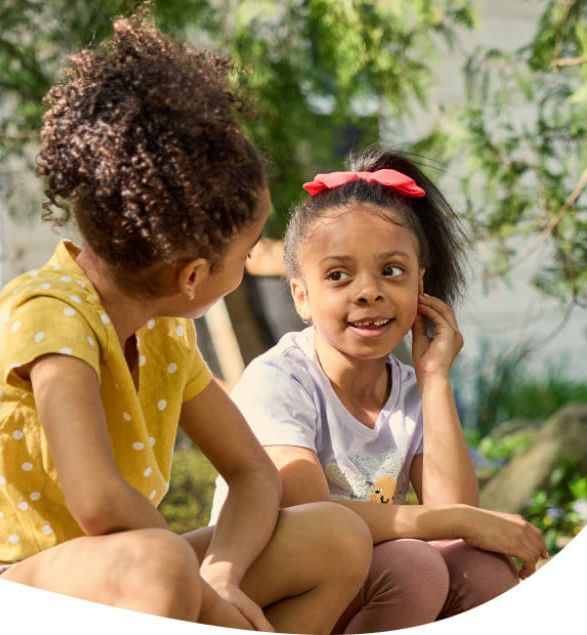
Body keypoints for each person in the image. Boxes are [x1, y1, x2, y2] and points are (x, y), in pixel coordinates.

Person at [0, 11, 374, 633]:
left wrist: (221, 572)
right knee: (160, 561)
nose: (257, 260)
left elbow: (253, 473)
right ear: (192, 277)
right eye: (247, 252)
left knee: (335, 534)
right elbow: (96, 503)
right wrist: (203, 599)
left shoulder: (166, 333)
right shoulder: (49, 317)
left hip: (108, 573)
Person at [209, 147, 548, 633]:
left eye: (391, 271)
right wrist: (460, 521)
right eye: (338, 275)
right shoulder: (280, 379)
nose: (368, 291)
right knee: (415, 567)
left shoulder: (411, 389)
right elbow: (314, 521)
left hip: (366, 568)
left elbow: (455, 507)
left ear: (419, 286)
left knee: (483, 570)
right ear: (300, 296)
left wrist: (435, 379)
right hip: (276, 586)